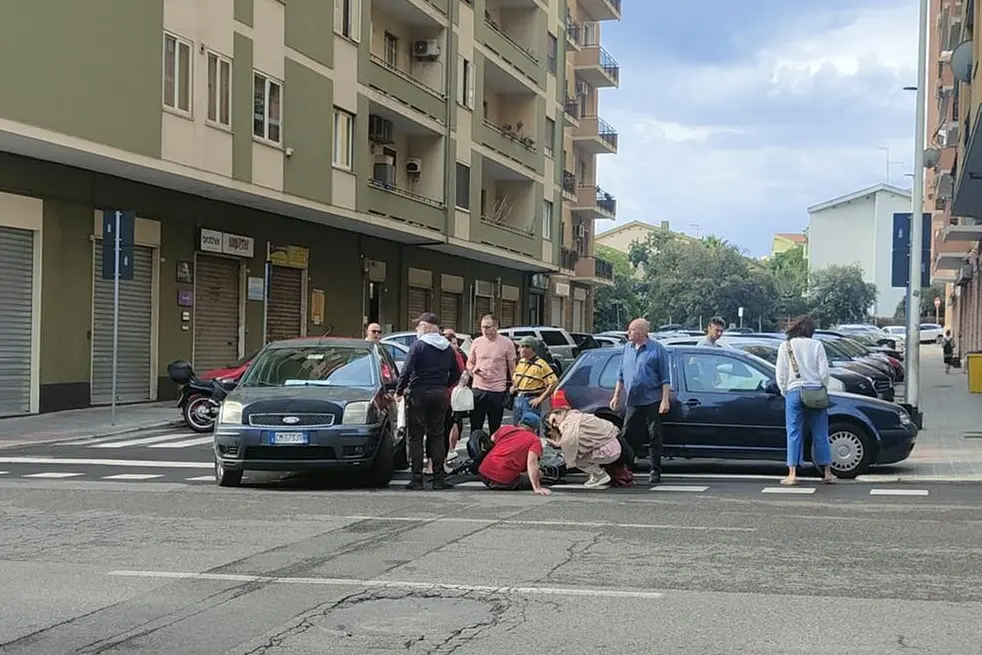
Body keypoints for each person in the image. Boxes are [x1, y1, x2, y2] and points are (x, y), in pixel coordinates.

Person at [396, 312, 461, 490]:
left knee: (415, 437)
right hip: (440, 394)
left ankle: (417, 479)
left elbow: (407, 370)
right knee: (437, 435)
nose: (417, 329)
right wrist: (443, 385)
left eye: (419, 326)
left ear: (426, 327)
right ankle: (439, 478)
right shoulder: (447, 347)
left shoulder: (418, 346)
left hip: (418, 393)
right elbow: (456, 372)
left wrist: (399, 390)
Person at [609, 318, 671, 485]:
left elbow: (665, 378)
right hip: (633, 400)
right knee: (627, 434)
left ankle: (655, 470)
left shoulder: (657, 350)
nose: (628, 333)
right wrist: (616, 395)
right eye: (629, 330)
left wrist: (665, 400)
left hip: (652, 399)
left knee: (654, 436)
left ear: (643, 333)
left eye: (632, 330)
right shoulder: (627, 349)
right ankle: (625, 468)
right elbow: (620, 375)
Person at [775, 314, 834, 486]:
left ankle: (792, 473)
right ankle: (828, 472)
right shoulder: (817, 345)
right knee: (820, 432)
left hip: (794, 391)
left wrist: (785, 391)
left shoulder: (785, 346)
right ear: (810, 331)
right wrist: (822, 386)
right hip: (815, 391)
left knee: (793, 432)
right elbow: (824, 372)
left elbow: (781, 374)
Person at [545, 408, 633, 488]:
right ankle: (601, 474)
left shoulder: (570, 424)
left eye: (554, 420)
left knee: (575, 458)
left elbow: (570, 443)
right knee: (577, 453)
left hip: (611, 449)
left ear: (559, 413)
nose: (555, 424)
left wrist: (566, 456)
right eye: (552, 425)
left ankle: (599, 475)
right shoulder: (577, 415)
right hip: (617, 443)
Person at [476, 412, 551, 495]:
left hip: (484, 473)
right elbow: (531, 463)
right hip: (504, 480)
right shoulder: (534, 440)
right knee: (539, 474)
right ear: (535, 429)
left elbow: (492, 438)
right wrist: (537, 487)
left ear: (520, 423)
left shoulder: (505, 428)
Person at [467, 314, 516, 434]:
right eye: (482, 327)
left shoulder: (507, 343)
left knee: (495, 426)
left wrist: (515, 386)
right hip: (478, 389)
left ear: (495, 327)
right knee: (476, 425)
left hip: (497, 390)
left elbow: (512, 368)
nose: (484, 330)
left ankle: (494, 451)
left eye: (487, 327)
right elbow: (469, 362)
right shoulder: (477, 342)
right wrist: (473, 370)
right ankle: (476, 450)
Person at [510, 336, 559, 427]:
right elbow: (516, 378)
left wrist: (540, 398)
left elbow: (553, 382)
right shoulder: (521, 362)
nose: (520, 350)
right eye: (521, 347)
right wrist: (514, 387)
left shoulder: (541, 364)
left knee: (530, 428)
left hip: (530, 400)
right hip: (518, 398)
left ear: (532, 349)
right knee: (516, 428)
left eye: (525, 347)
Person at [443, 328, 468, 456]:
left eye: (456, 343)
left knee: (453, 422)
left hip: (454, 394)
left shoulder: (458, 355)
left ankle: (451, 449)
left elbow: (461, 372)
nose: (456, 346)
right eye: (453, 343)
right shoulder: (448, 355)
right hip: (445, 394)